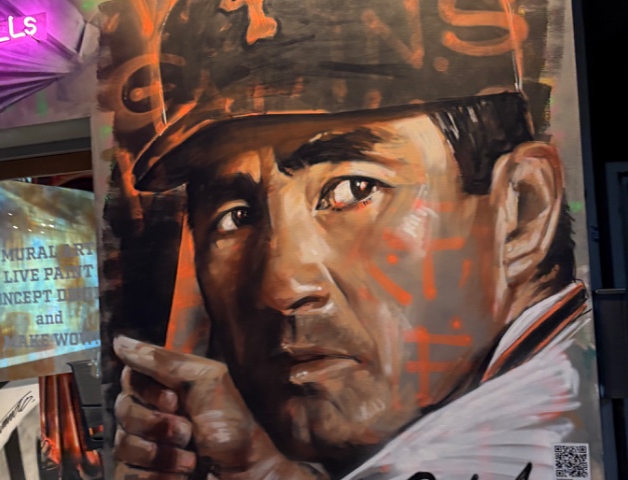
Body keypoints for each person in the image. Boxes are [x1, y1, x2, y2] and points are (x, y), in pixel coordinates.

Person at [103, 0, 599, 479]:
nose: (281, 285)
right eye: (236, 216)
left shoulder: (571, 435)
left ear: (523, 210)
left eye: (353, 189)